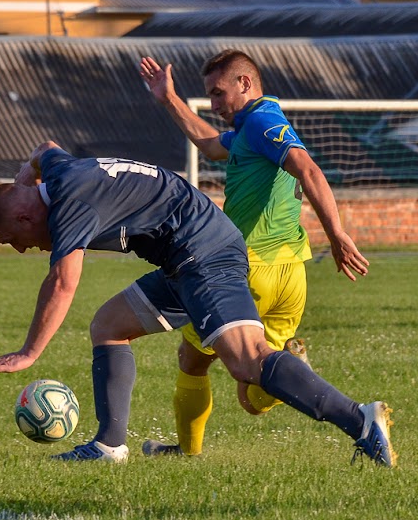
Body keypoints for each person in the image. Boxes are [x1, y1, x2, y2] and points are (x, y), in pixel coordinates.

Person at [0, 140, 395, 468]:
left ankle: (361, 420)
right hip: (182, 257)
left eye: (13, 241)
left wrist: (28, 354)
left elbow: (62, 283)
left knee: (247, 361)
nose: (22, 251)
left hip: (204, 254)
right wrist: (25, 178)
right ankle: (109, 446)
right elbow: (45, 149)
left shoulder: (68, 204)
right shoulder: (62, 176)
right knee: (109, 326)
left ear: (25, 218)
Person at [137, 50, 370, 457]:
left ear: (245, 83)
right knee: (252, 397)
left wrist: (336, 234)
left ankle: (186, 452)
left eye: (218, 93)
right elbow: (211, 146)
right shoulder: (251, 127)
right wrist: (169, 99)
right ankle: (292, 370)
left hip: (246, 272)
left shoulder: (263, 121)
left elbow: (308, 169)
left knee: (192, 359)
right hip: (291, 275)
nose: (213, 104)